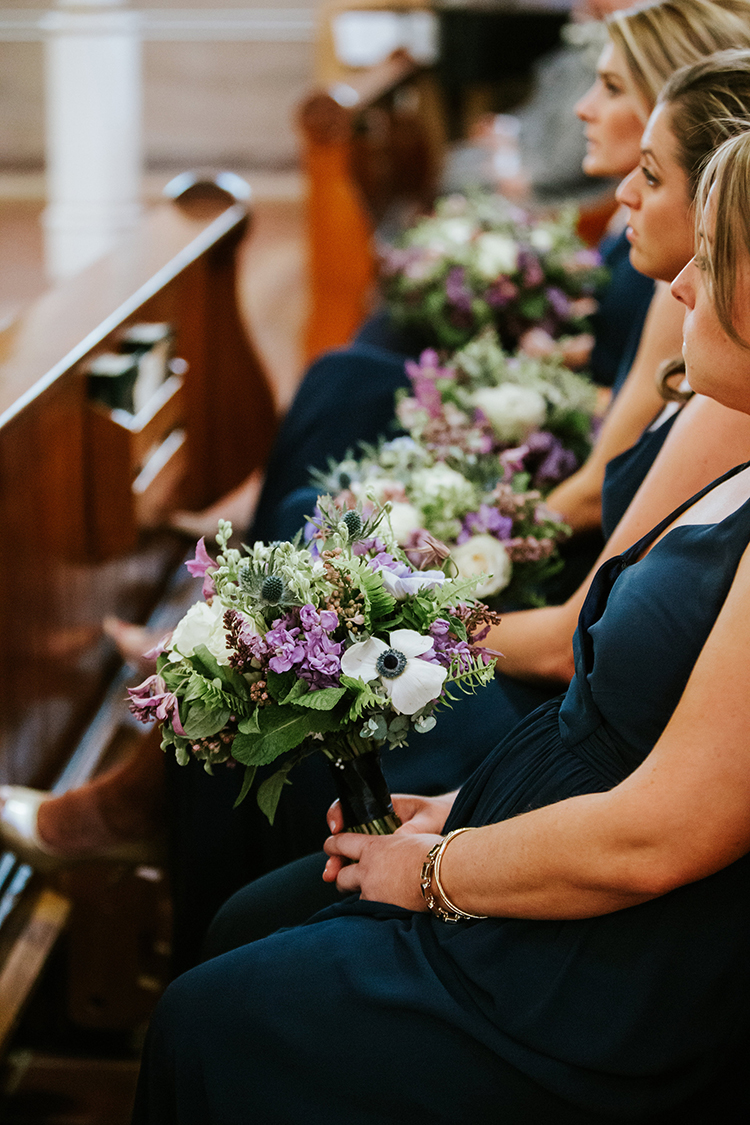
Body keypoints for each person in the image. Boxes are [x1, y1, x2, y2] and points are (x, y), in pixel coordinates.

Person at [6, 4, 750, 976]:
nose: (585, 110)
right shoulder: (696, 324)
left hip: (564, 706)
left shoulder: (712, 359)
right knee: (338, 430)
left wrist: (404, 625)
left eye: (614, 89)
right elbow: (608, 450)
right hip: (570, 686)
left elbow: (588, 613)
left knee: (316, 620)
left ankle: (163, 853)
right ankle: (192, 707)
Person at [130, 125, 750, 1125]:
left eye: (713, 256)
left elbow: (660, 835)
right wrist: (462, 806)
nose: (681, 285)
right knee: (242, 928)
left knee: (211, 1022)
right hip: (539, 809)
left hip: (611, 979)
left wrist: (434, 865)